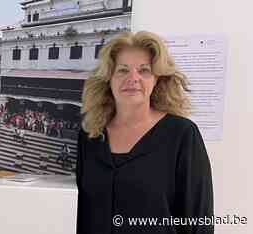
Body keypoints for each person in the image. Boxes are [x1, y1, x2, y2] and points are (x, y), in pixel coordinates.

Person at [76, 31, 214, 234]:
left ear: (157, 79)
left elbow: (198, 221)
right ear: (109, 78)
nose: (133, 78)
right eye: (123, 70)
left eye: (144, 70)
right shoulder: (90, 136)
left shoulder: (182, 134)